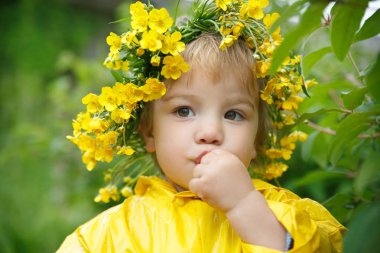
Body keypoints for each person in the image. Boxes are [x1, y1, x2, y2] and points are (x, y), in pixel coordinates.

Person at [58, 1, 345, 252]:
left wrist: (244, 206)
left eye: (233, 114)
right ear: (149, 132)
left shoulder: (290, 219)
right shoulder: (106, 238)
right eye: (184, 110)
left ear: (257, 140)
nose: (210, 133)